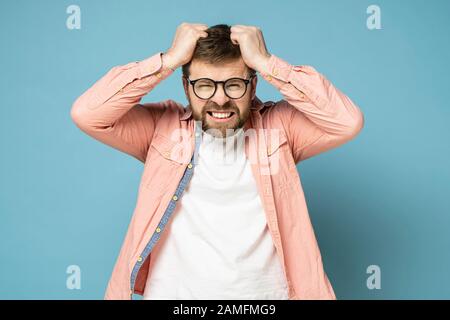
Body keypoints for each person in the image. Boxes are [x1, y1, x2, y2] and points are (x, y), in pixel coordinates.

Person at [71, 22, 364, 300]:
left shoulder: (280, 129)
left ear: (253, 85)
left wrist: (266, 62)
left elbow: (346, 121)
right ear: (186, 86)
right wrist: (168, 60)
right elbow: (87, 113)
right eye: (204, 85)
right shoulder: (160, 128)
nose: (220, 99)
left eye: (234, 84)